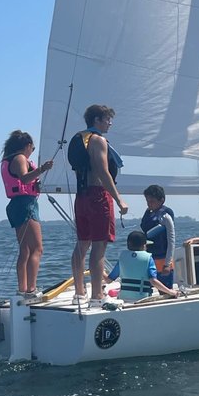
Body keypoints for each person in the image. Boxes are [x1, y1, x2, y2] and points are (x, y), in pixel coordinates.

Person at [67, 104, 128, 308]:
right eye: (107, 119)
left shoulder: (80, 139)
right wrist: (119, 199)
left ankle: (79, 293)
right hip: (98, 196)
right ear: (96, 120)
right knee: (99, 247)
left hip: (81, 197)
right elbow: (103, 173)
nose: (110, 123)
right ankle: (96, 296)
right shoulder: (98, 140)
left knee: (82, 244)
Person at [1, 131, 54, 298]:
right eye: (33, 147)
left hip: (17, 205)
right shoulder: (20, 159)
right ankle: (31, 289)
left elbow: (23, 181)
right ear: (27, 146)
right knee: (37, 249)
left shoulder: (8, 160)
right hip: (25, 204)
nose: (32, 150)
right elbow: (24, 179)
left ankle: (23, 289)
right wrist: (42, 169)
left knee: (25, 250)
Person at [107, 229, 181, 302]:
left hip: (123, 298)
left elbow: (109, 280)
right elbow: (153, 281)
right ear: (144, 246)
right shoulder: (148, 258)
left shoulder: (123, 257)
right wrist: (171, 292)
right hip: (142, 299)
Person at [141, 185, 176, 287]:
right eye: (147, 201)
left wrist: (167, 264)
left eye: (152, 201)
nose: (149, 204)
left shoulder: (165, 216)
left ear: (161, 200)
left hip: (163, 260)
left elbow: (171, 240)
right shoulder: (148, 214)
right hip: (150, 258)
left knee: (165, 289)